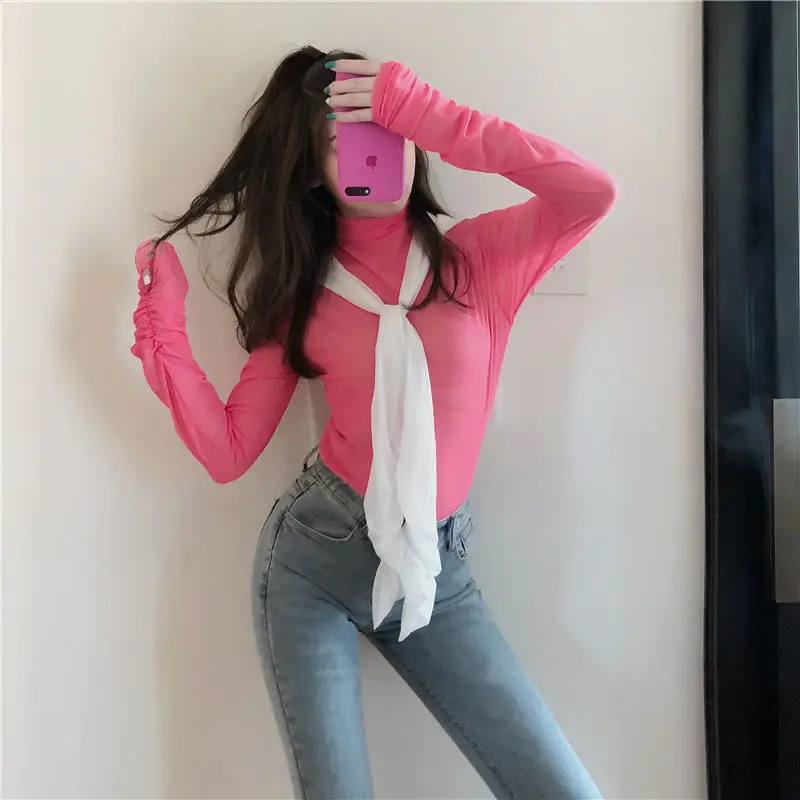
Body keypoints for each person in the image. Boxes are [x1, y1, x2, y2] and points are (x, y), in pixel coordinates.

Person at [132, 45, 616, 800]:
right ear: (313, 174)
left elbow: (589, 193)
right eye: (344, 144)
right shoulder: (305, 298)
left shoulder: (476, 260)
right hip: (314, 564)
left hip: (434, 566)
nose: (377, 154)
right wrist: (161, 325)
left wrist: (433, 115)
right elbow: (229, 451)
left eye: (390, 131)